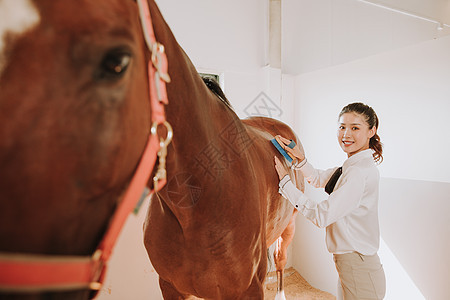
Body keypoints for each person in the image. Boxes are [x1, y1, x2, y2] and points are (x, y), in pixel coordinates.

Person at [274, 102, 386, 300]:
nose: (346, 134)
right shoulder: (353, 167)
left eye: (355, 128)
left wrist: (286, 185)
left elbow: (321, 215)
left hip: (358, 268)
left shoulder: (358, 173)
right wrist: (300, 161)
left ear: (372, 131)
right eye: (342, 127)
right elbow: (319, 178)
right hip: (354, 266)